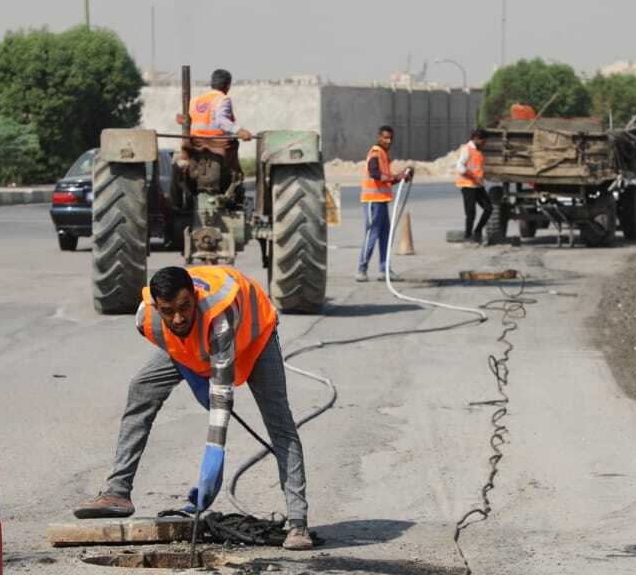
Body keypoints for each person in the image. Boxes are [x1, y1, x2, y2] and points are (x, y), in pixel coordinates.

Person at [74, 265, 314, 551]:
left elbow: (221, 399)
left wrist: (214, 460)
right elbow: (176, 347)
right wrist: (195, 375)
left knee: (279, 423)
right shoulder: (146, 318)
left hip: (254, 336)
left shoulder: (219, 319)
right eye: (168, 310)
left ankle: (298, 524)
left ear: (195, 297)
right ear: (156, 306)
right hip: (202, 342)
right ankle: (118, 492)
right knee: (142, 388)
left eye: (185, 307)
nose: (178, 317)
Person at [357, 125, 412, 282]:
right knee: (372, 234)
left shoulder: (384, 155)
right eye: (385, 137)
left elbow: (386, 180)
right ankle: (362, 269)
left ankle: (384, 270)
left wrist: (402, 177)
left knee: (385, 236)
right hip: (372, 201)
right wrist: (397, 176)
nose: (388, 141)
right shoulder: (375, 153)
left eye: (390, 138)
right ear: (379, 137)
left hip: (382, 201)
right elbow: (375, 174)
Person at [184, 69, 252, 192]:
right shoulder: (222, 99)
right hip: (218, 144)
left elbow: (187, 120)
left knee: (180, 165)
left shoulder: (195, 101)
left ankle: (178, 202)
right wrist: (240, 131)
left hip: (196, 144)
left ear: (212, 83)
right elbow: (221, 121)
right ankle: (235, 183)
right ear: (228, 85)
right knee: (235, 166)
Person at [456, 128, 491, 244]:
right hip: (468, 185)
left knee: (488, 208)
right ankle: (467, 236)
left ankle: (477, 231)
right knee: (471, 213)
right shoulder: (467, 149)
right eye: (483, 141)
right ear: (476, 139)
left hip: (478, 185)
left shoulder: (478, 150)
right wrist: (471, 176)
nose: (485, 143)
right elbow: (460, 167)